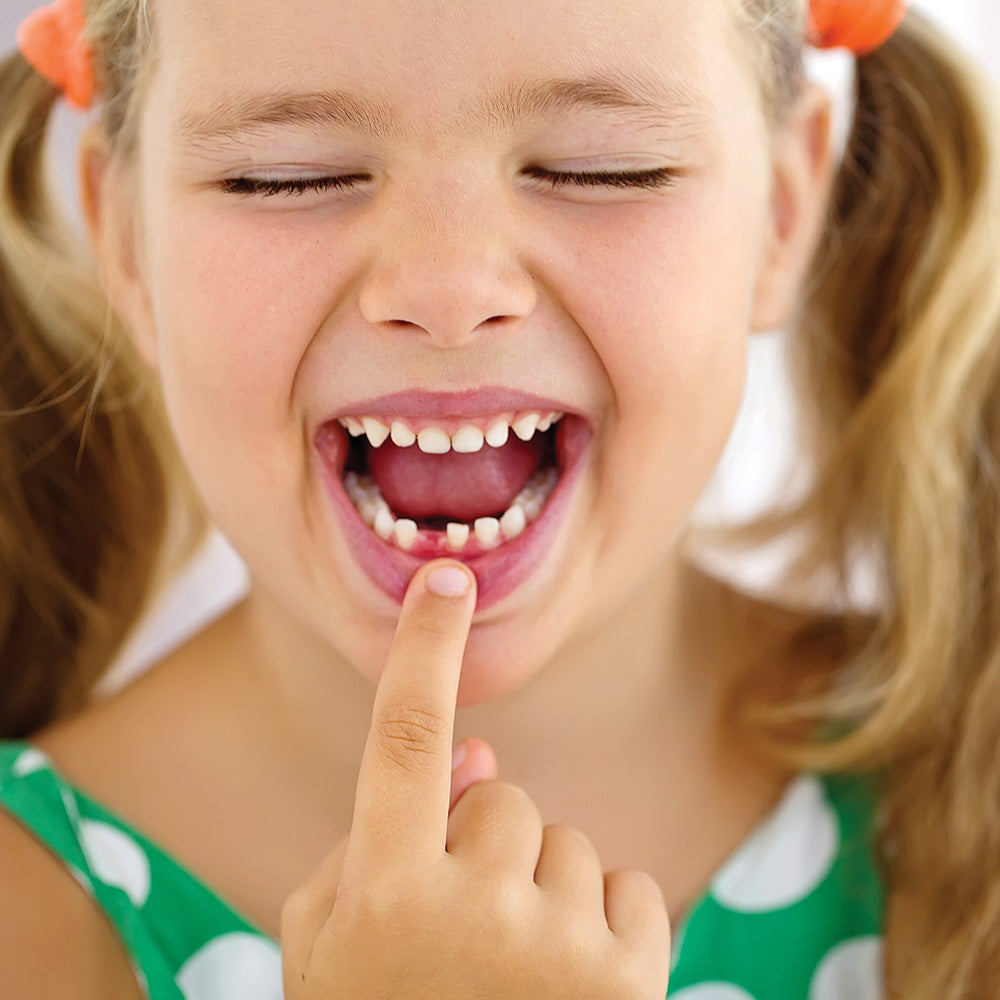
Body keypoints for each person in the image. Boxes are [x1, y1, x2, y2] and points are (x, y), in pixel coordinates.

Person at [1, 0, 998, 996]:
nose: (447, 290)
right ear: (126, 242)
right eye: (286, 176)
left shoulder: (967, 799)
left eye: (602, 169)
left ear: (781, 210)